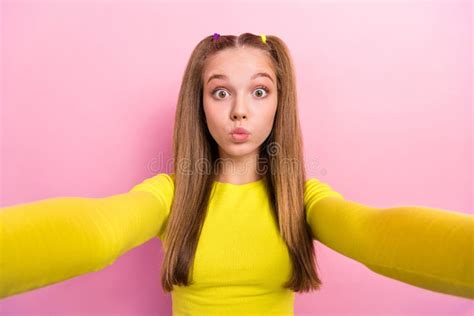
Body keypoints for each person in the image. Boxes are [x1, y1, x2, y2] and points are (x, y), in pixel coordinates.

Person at [1, 33, 472, 315]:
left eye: (260, 92)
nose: (240, 111)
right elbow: (96, 231)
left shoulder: (302, 200)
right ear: (200, 103)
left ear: (279, 104)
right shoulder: (170, 195)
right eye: (221, 92)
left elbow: (376, 234)